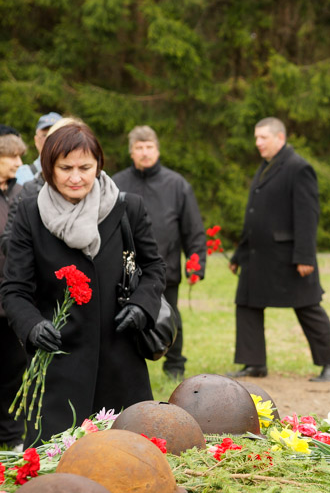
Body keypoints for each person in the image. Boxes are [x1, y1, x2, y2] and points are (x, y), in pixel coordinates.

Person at [0, 122, 165, 442]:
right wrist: (32, 325)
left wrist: (142, 307)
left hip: (120, 359)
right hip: (58, 364)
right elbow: (14, 288)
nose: (75, 177)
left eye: (85, 167)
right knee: (59, 465)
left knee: (126, 459)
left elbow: (154, 268)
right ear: (49, 168)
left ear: (99, 165)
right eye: (65, 168)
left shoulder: (127, 207)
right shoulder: (30, 214)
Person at [228, 117, 330, 382]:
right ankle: (254, 363)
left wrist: (305, 256)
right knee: (246, 304)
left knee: (308, 307)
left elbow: (307, 216)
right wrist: (238, 255)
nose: (257, 143)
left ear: (280, 138)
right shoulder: (266, 166)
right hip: (257, 257)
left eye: (262, 138)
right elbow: (253, 215)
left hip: (288, 258)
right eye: (256, 138)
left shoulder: (298, 168)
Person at [113, 126, 206, 381]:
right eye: (139, 148)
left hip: (164, 267)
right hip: (124, 270)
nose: (144, 152)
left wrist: (196, 264)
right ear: (131, 152)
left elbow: (193, 229)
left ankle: (174, 364)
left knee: (170, 314)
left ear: (157, 149)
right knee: (123, 317)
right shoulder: (116, 183)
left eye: (149, 147)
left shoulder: (177, 185)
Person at [0, 129, 28, 449]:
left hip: (14, 300)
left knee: (13, 369)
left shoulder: (22, 193)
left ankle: (11, 435)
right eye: (12, 156)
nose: (19, 163)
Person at [15, 112, 60, 185]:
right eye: (45, 135)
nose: (50, 140)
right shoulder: (21, 174)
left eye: (55, 134)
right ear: (36, 140)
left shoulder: (77, 174)